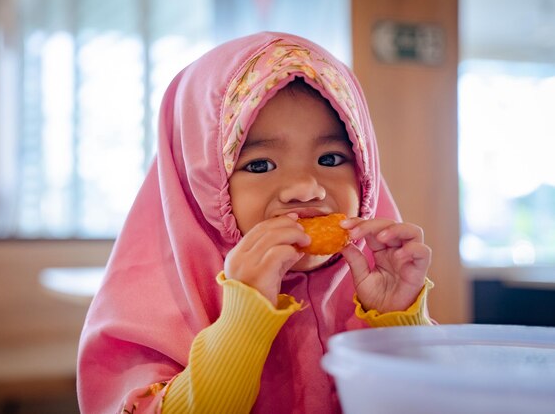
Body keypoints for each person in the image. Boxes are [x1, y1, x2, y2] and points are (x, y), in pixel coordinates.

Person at [77, 31, 434, 414]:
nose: (305, 188)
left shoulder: (373, 280)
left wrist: (400, 323)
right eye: (260, 165)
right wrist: (243, 320)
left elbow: (431, 403)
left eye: (330, 159)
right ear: (199, 183)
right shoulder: (153, 304)